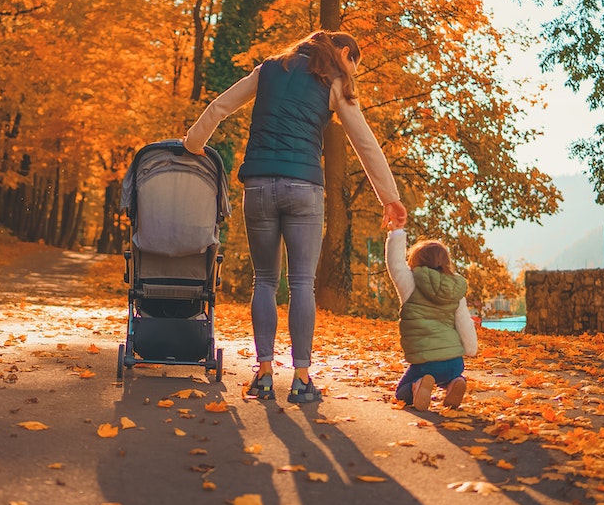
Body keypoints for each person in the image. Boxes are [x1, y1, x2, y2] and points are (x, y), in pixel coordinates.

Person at [183, 30, 407, 404]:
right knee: (302, 283)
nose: (352, 70)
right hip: (303, 187)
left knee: (265, 281)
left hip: (257, 185)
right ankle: (302, 379)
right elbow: (364, 140)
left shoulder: (269, 69)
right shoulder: (333, 81)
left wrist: (192, 144)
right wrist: (390, 198)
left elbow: (220, 107)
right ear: (343, 52)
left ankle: (265, 374)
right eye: (354, 62)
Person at [385, 230, 478, 411]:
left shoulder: (411, 283)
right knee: (453, 374)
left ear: (414, 261)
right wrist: (471, 349)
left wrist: (396, 232)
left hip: (425, 362)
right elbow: (464, 321)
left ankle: (418, 384)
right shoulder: (455, 288)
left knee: (401, 394)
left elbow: (395, 265)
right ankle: (455, 382)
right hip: (454, 361)